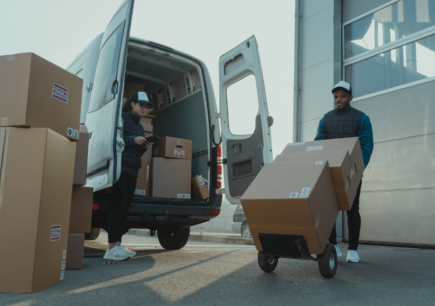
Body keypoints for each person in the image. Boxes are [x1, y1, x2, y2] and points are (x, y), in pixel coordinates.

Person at [314, 81, 374, 263]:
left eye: (342, 96)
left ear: (350, 98)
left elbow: (366, 145)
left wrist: (358, 168)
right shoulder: (325, 119)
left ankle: (353, 250)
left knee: (352, 210)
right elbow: (319, 143)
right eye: (336, 96)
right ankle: (333, 246)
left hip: (352, 173)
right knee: (329, 210)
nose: (338, 99)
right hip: (329, 172)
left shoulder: (361, 118)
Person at [103, 92, 154, 261]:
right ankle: (110, 248)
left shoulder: (140, 126)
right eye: (141, 105)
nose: (144, 109)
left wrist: (145, 146)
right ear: (132, 104)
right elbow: (112, 139)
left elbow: (137, 152)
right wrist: (133, 140)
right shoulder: (122, 119)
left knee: (126, 207)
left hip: (133, 168)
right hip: (120, 167)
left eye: (146, 107)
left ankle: (118, 245)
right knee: (118, 205)